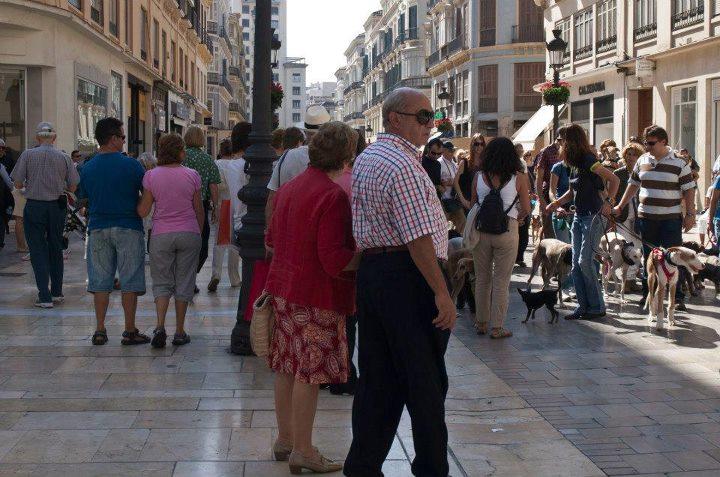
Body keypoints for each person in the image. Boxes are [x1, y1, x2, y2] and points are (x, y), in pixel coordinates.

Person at [344, 88, 454, 477]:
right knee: (425, 382)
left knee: (378, 379)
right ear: (395, 119)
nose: (430, 124)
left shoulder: (369, 157)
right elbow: (416, 237)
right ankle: (430, 468)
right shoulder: (404, 165)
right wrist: (441, 291)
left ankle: (362, 465)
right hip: (408, 277)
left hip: (377, 276)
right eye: (423, 116)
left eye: (431, 116)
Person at [265, 122, 359, 474]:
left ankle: (286, 439)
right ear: (346, 155)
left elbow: (272, 237)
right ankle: (303, 449)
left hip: (285, 290)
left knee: (287, 365)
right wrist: (369, 255)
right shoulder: (332, 196)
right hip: (316, 294)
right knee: (310, 373)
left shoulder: (290, 188)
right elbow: (335, 259)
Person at [77, 118, 148, 345]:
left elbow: (83, 197)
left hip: (97, 227)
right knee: (129, 280)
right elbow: (146, 195)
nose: (124, 141)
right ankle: (129, 330)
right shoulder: (133, 165)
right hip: (128, 226)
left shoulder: (87, 168)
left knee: (100, 281)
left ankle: (99, 329)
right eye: (123, 137)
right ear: (114, 138)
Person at [613, 125, 696, 310]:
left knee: (673, 258)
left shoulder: (679, 162)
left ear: (663, 141)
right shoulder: (642, 159)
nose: (647, 147)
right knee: (649, 258)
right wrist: (620, 206)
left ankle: (677, 297)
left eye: (651, 143)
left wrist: (690, 214)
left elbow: (689, 190)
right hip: (646, 218)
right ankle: (648, 295)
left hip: (671, 220)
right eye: (646, 143)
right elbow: (633, 185)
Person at [548, 124, 619, 321]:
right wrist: (556, 203)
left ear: (571, 142)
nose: (559, 145)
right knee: (576, 264)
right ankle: (583, 306)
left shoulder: (589, 161)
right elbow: (573, 192)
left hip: (593, 217)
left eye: (562, 141)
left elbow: (614, 180)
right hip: (578, 217)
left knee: (584, 261)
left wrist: (608, 202)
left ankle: (597, 307)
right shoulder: (574, 164)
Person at [138, 134, 203, 348]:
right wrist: (198, 232)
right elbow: (198, 209)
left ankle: (159, 326)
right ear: (180, 152)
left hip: (161, 234)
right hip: (188, 232)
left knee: (162, 281)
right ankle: (180, 331)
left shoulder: (151, 176)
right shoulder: (192, 175)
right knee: (185, 281)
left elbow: (144, 210)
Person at [468, 138, 531, 338]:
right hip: (507, 230)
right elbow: (526, 209)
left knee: (482, 279)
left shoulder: (479, 176)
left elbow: (473, 205)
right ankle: (497, 327)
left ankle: (481, 323)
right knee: (502, 281)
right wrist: (517, 219)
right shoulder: (518, 177)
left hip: (482, 231)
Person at [10, 122, 79, 308]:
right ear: (54, 138)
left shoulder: (28, 155)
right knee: (56, 247)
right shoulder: (64, 157)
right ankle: (57, 291)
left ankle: (44, 295)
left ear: (37, 138)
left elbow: (16, 182)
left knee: (38, 249)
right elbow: (73, 185)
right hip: (57, 206)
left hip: (34, 205)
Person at [329, 132, 366, 397]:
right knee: (350, 318)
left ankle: (328, 371)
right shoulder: (360, 182)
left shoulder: (331, 181)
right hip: (355, 258)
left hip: (329, 258)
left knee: (332, 318)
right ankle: (345, 374)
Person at [266, 105, 331, 224]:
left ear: (306, 131)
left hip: (288, 224)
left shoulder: (287, 156)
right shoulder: (334, 159)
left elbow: (272, 196)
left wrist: (268, 231)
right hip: (319, 225)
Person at [182, 126, 221, 285]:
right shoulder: (207, 159)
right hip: (201, 207)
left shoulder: (182, 157)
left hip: (182, 205)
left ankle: (185, 276)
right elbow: (213, 186)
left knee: (184, 243)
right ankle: (191, 276)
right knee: (202, 243)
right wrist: (215, 207)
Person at [208, 137, 247, 292]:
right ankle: (234, 277)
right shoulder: (236, 165)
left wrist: (214, 205)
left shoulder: (216, 164)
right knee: (234, 243)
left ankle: (216, 274)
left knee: (219, 242)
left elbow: (215, 185)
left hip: (222, 204)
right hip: (235, 204)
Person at [535, 133, 565, 239]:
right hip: (548, 196)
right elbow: (539, 180)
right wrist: (542, 202)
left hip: (566, 197)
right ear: (559, 139)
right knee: (550, 235)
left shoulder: (571, 152)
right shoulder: (546, 152)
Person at [613, 142, 644, 245]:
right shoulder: (617, 173)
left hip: (639, 214)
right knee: (624, 245)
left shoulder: (644, 173)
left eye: (634, 154)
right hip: (622, 214)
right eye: (629, 154)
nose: (631, 157)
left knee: (638, 246)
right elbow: (613, 196)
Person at [439, 141, 465, 232]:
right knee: (441, 227)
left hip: (454, 199)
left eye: (453, 150)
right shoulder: (439, 163)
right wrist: (446, 183)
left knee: (462, 223)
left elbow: (457, 180)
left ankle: (456, 241)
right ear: (444, 151)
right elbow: (438, 181)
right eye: (450, 150)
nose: (452, 152)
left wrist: (454, 182)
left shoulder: (453, 163)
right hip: (444, 200)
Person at [549, 159, 572, 243]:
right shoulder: (558, 167)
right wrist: (557, 207)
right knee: (565, 249)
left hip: (577, 213)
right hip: (561, 213)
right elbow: (552, 191)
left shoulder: (580, 167)